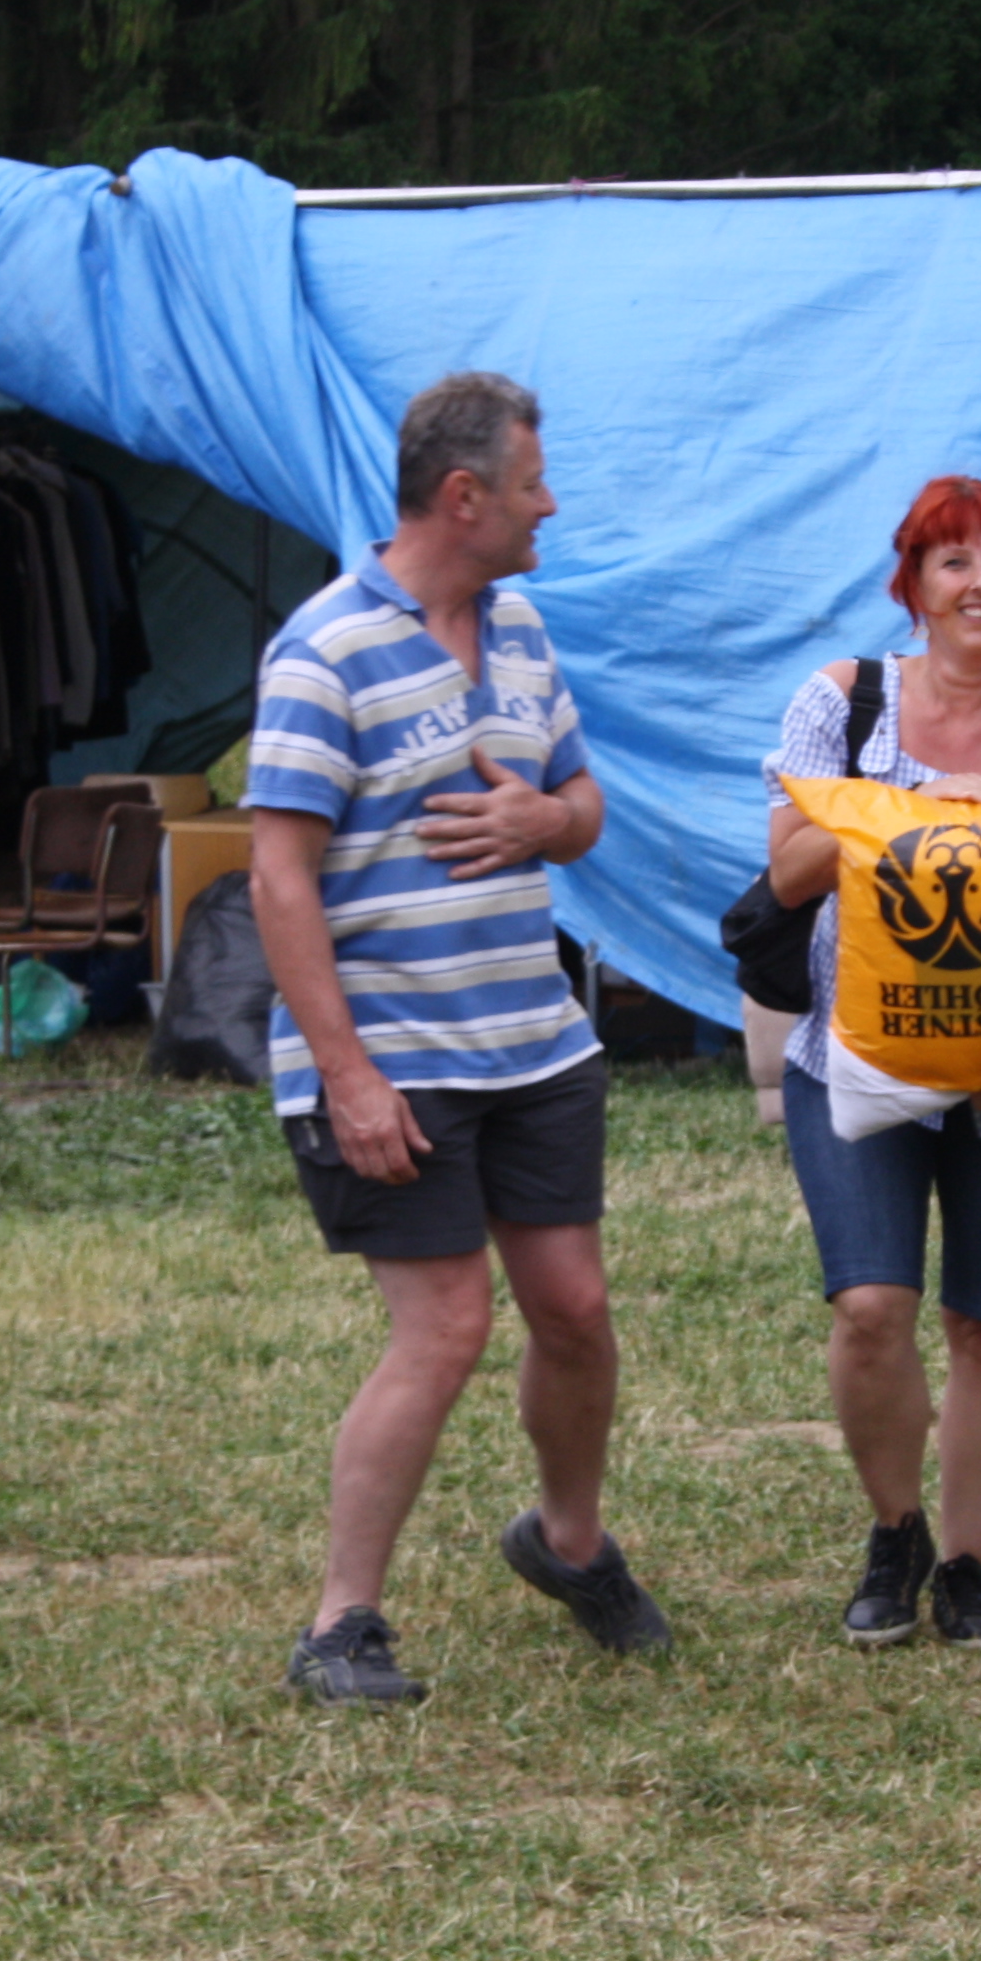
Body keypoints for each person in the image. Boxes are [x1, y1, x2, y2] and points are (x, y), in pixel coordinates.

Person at [244, 370, 672, 1706]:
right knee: (444, 1329)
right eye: (534, 485)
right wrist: (349, 1077)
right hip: (397, 1058)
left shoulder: (523, 629)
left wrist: (550, 822)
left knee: (576, 1312)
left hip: (533, 1042)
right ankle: (339, 1628)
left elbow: (579, 802)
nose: (554, 505)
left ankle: (570, 1544)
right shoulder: (323, 652)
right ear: (465, 495)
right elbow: (276, 879)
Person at [760, 475, 981, 1650]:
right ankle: (895, 1530)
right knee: (871, 1308)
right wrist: (913, 812)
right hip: (856, 1057)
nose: (979, 583)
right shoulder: (844, 702)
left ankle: (966, 1567)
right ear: (910, 583)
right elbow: (788, 870)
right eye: (952, 560)